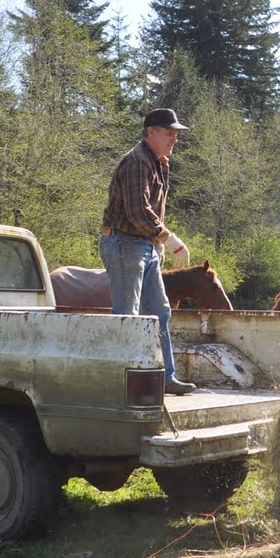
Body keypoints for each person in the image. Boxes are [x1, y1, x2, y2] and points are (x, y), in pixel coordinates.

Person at [101, 108, 197, 395]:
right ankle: (122, 383)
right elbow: (137, 212)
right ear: (150, 132)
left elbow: (150, 214)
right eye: (169, 133)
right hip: (123, 242)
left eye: (176, 134)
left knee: (159, 312)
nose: (174, 139)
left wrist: (157, 244)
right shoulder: (137, 162)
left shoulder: (158, 163)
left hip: (143, 244)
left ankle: (166, 379)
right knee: (127, 315)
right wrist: (168, 239)